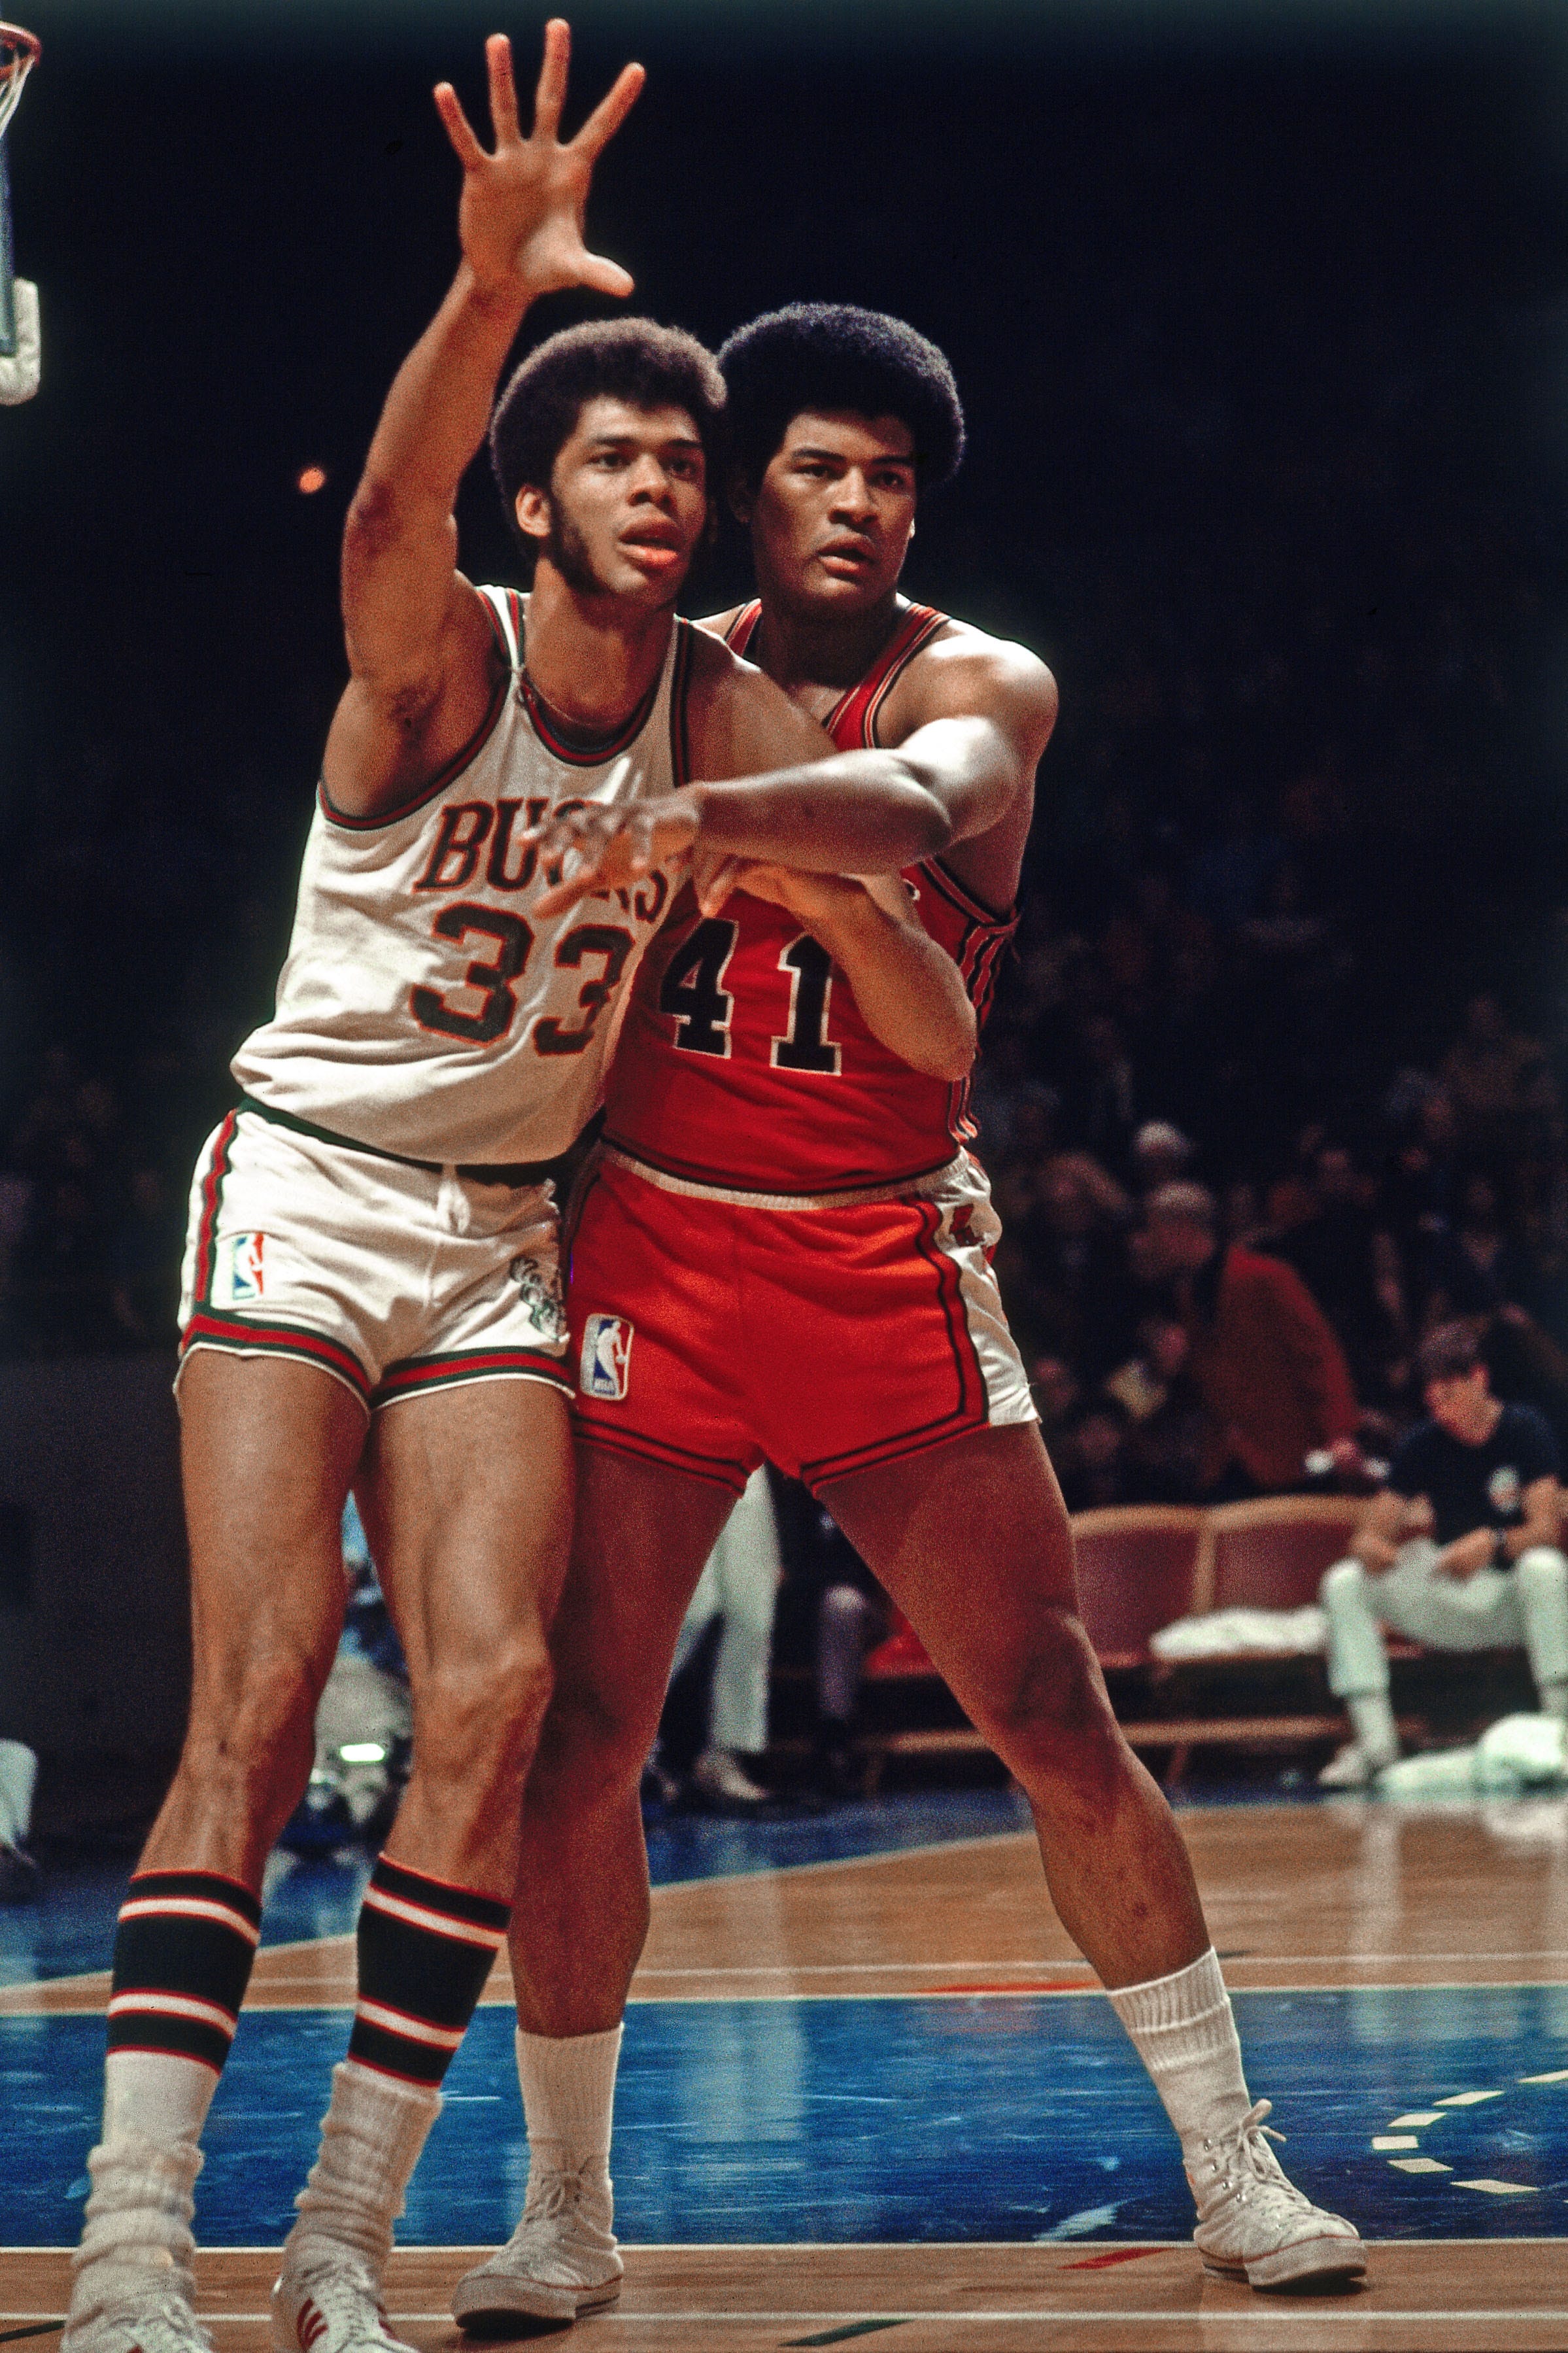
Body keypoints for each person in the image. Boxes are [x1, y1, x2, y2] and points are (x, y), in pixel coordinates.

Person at [60, 40, 980, 2353]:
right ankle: (130, 2243)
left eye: (686, 462)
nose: (663, 487)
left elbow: (929, 967)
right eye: (615, 457)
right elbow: (379, 501)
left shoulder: (726, 710)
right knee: (260, 1696)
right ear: (540, 495)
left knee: (489, 1703)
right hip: (307, 1182)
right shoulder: (433, 643)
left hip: (497, 1235)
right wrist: (486, 294)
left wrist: (828, 883)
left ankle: (345, 2238)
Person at [454, 303, 1365, 2333]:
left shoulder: (976, 678)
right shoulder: (638, 674)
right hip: (654, 1251)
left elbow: (914, 803)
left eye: (890, 478)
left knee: (1047, 1708)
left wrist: (709, 817)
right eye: (816, 468)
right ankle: (566, 2204)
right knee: (585, 1732)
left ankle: (1234, 2160)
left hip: (874, 1247)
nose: (859, 503)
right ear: (730, 482)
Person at [1319, 1322, 1568, 1787]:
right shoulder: (1423, 1442)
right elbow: (1369, 1534)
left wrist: (1492, 1542)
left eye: (1451, 1395)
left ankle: (1562, 1725)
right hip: (1448, 1593)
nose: (1443, 1412)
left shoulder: (1525, 1430)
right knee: (1344, 1582)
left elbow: (1546, 1531)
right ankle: (1375, 1745)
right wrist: (1374, 1548)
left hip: (1510, 1599)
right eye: (1434, 1402)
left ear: (1479, 1379)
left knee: (1546, 1569)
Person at [1140, 1180, 1364, 1498]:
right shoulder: (1186, 1294)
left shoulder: (1266, 1275)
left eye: (1156, 1230)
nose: (1151, 1242)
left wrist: (1340, 1432)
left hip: (1290, 1452)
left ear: (1181, 1227)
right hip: (1229, 1459)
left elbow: (1318, 1354)